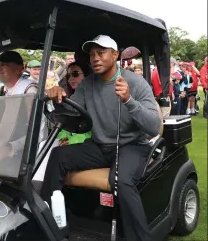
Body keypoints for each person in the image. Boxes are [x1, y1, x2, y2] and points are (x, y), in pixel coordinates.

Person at [41, 35, 160, 241]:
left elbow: (153, 126)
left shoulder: (135, 82)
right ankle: (46, 221)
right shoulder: (88, 84)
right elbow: (73, 116)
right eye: (92, 54)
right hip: (100, 146)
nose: (95, 58)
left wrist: (129, 100)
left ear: (115, 55)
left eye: (101, 52)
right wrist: (57, 99)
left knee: (121, 180)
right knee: (58, 156)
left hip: (132, 146)